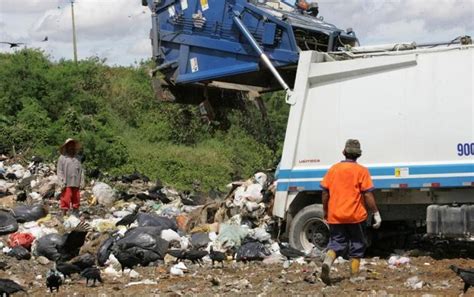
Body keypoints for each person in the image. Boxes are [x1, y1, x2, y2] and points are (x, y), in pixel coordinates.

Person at [319, 139, 382, 285]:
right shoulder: (362, 171)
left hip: (336, 215)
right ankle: (354, 276)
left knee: (336, 243)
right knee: (357, 244)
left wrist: (326, 211)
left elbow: (325, 193)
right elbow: (367, 194)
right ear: (358, 155)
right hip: (355, 216)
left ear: (343, 152)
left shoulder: (333, 169)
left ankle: (328, 261)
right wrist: (376, 213)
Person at [57, 138, 83, 216]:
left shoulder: (77, 158)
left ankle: (75, 213)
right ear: (66, 147)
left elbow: (81, 171)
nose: (71, 147)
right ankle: (64, 213)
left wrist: (82, 181)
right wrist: (61, 181)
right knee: (66, 198)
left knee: (76, 198)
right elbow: (59, 171)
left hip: (76, 182)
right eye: (69, 146)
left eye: (73, 146)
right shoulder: (62, 158)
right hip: (66, 182)